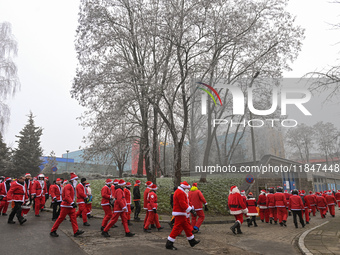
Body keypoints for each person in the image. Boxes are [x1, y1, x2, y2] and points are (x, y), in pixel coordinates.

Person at [166, 181, 200, 250]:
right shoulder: (180, 192)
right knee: (176, 228)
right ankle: (169, 243)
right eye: (187, 189)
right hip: (180, 213)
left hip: (181, 213)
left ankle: (192, 241)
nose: (188, 190)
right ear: (184, 188)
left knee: (187, 227)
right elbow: (183, 203)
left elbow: (184, 203)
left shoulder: (180, 191)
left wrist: (190, 209)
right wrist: (191, 210)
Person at [50, 173, 84, 237]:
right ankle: (53, 230)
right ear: (73, 180)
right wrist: (72, 203)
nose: (77, 181)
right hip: (66, 205)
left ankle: (76, 231)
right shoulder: (69, 186)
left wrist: (72, 203)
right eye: (76, 179)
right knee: (60, 219)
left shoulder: (72, 186)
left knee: (73, 219)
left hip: (70, 205)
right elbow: (67, 196)